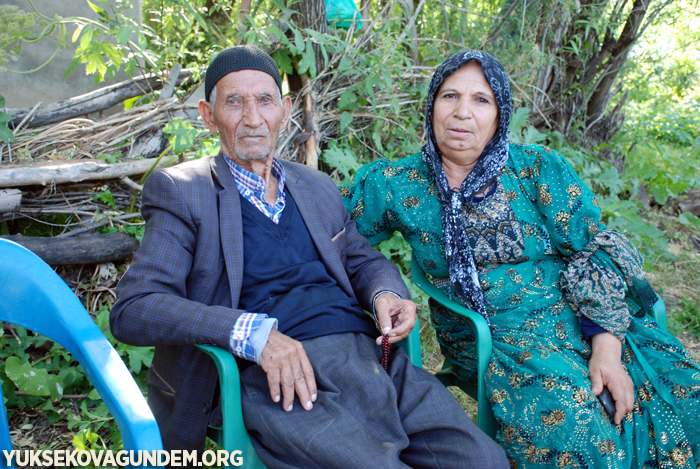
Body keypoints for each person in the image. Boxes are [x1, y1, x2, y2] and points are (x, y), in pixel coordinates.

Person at [110, 45, 509, 468]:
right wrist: (254, 335)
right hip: (280, 379)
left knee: (484, 461)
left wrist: (385, 294)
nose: (251, 118)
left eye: (264, 100)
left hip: (369, 358)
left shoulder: (314, 186)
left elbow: (361, 259)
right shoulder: (183, 190)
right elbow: (135, 308)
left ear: (284, 110)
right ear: (209, 115)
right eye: (234, 102)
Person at [341, 49, 700, 468]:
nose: (461, 113)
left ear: (500, 114)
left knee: (682, 395)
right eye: (449, 96)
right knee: (576, 427)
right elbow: (336, 235)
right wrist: (380, 290)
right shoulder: (394, 183)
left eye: (481, 100)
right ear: (431, 105)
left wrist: (606, 348)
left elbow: (591, 250)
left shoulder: (537, 169)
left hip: (583, 316)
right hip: (490, 333)